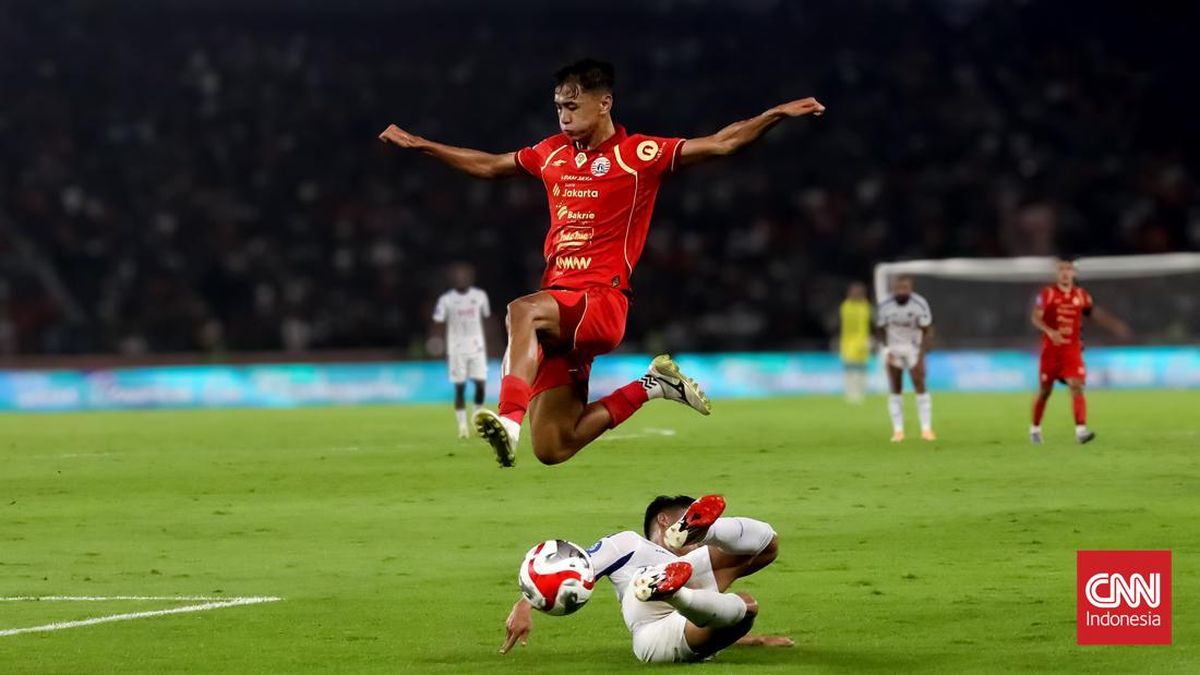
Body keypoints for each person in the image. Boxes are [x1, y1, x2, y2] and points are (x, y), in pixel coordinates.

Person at [379, 58, 825, 467]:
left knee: (521, 310)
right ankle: (652, 386)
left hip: (601, 301)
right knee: (554, 446)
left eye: (572, 106)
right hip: (562, 312)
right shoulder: (551, 153)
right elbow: (492, 165)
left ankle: (507, 421)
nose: (564, 116)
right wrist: (421, 145)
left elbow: (723, 143)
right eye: (558, 107)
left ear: (604, 102)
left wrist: (776, 115)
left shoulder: (638, 157)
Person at [500, 495, 792, 663]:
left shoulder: (684, 561)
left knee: (767, 552)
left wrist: (752, 640)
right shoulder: (631, 543)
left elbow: (573, 567)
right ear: (664, 520)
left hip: (680, 596)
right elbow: (580, 565)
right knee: (745, 606)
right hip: (647, 613)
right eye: (684, 516)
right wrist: (526, 602)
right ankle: (672, 588)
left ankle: (704, 539)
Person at [1029, 258, 1130, 444]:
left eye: (1069, 269)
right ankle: (1035, 428)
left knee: (1076, 386)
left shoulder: (1082, 296)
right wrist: (1050, 331)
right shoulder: (1047, 294)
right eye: (1061, 269)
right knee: (1045, 392)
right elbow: (1035, 318)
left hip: (1071, 350)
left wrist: (1115, 325)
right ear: (1056, 273)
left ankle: (1081, 431)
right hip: (1051, 351)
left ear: (1074, 273)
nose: (1065, 273)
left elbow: (1094, 315)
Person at [432, 264, 491, 438]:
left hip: (477, 347)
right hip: (456, 348)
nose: (461, 279)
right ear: (452, 280)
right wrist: (437, 342)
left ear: (470, 278)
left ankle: (477, 419)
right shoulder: (446, 300)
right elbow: (438, 322)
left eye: (464, 276)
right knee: (460, 387)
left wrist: (493, 344)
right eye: (458, 276)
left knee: (480, 384)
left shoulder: (480, 296)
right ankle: (463, 426)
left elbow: (487, 321)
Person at [875, 276, 935, 442]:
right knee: (896, 387)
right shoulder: (885, 306)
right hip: (894, 348)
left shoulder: (920, 304)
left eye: (905, 288)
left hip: (913, 348)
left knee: (919, 384)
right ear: (894, 288)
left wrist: (923, 352)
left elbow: (927, 329)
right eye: (899, 288)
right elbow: (880, 329)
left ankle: (926, 429)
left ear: (911, 288)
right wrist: (886, 350)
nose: (902, 291)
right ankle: (898, 431)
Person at [839, 282, 872, 404]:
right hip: (848, 342)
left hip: (862, 341)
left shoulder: (865, 307)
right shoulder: (846, 306)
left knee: (861, 369)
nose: (856, 294)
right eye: (854, 292)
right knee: (849, 369)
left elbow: (866, 321)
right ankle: (850, 394)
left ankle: (860, 394)